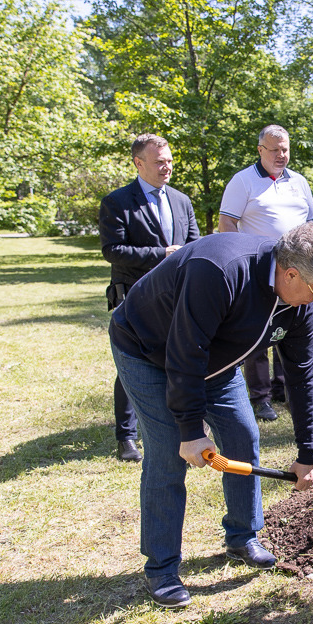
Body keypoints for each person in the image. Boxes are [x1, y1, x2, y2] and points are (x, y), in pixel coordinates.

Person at [109, 222, 313, 607]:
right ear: (291, 274)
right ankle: (162, 569)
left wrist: (310, 453)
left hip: (215, 358)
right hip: (149, 350)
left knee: (243, 434)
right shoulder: (220, 271)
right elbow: (185, 352)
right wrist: (190, 428)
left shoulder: (300, 302)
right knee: (170, 450)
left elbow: (302, 376)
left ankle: (243, 536)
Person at [99, 134, 201, 461]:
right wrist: (161, 254)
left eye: (169, 160)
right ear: (138, 163)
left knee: (180, 358)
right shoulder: (117, 202)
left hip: (176, 297)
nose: (166, 167)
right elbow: (112, 251)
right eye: (159, 162)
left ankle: (180, 423)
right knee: (133, 363)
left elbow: (194, 243)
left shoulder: (182, 201)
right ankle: (126, 437)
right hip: (135, 298)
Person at [218, 124, 313, 424]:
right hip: (259, 272)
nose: (281, 155)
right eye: (274, 149)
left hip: (297, 272)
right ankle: (260, 398)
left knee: (290, 329)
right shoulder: (243, 181)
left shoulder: (299, 182)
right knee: (259, 332)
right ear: (260, 150)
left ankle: (284, 388)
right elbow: (227, 224)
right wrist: (240, 262)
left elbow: (312, 223)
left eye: (285, 149)